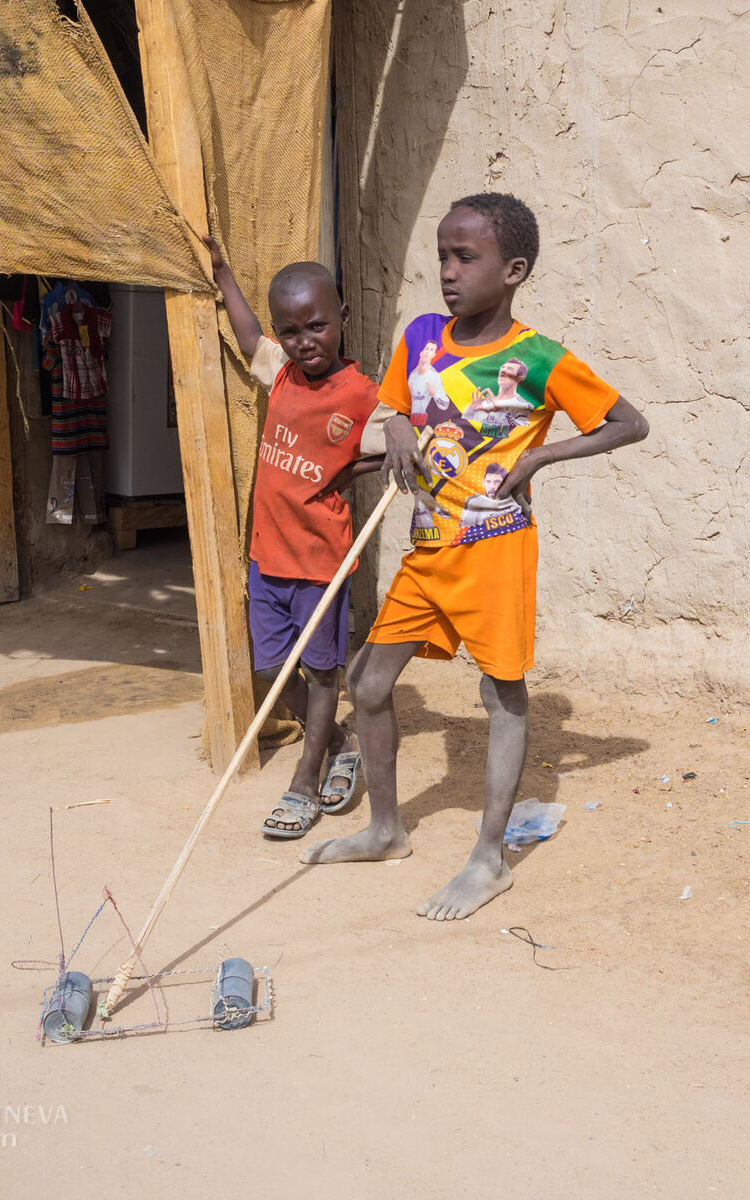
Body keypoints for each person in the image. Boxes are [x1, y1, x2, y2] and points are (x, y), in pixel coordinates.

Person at [301, 192, 649, 919]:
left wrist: (541, 457)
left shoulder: (537, 357)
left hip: (493, 549)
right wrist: (394, 427)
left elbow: (626, 423)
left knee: (501, 695)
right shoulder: (421, 335)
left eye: (466, 258)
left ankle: (489, 859)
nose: (448, 272)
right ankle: (386, 829)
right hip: (426, 548)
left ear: (512, 269)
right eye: (442, 256)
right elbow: (394, 406)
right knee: (367, 683)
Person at [202, 234, 390, 838]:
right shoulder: (281, 377)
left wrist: (352, 467)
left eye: (315, 326)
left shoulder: (362, 395)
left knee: (324, 671)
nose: (304, 342)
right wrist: (225, 273)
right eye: (291, 331)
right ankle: (339, 741)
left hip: (319, 559)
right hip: (268, 557)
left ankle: (304, 781)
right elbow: (247, 335)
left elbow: (395, 448)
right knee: (276, 673)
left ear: (343, 318)